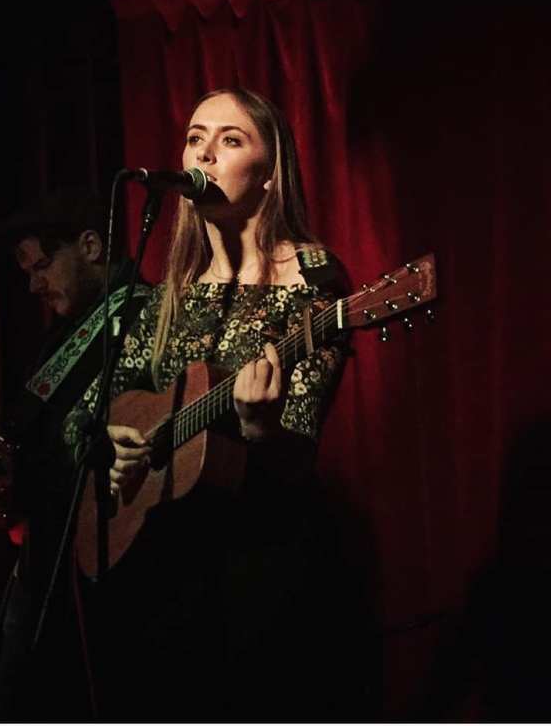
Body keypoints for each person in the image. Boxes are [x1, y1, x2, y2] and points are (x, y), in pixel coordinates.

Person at [70, 88, 352, 721]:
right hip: (160, 572)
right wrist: (111, 441)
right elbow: (86, 414)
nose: (204, 153)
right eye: (195, 137)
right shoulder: (170, 293)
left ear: (270, 171)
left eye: (230, 139)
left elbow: (297, 456)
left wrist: (259, 427)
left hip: (257, 566)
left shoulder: (312, 280)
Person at [0, 185, 150, 721]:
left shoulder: (145, 313)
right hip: (48, 558)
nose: (33, 285)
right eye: (27, 272)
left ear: (89, 246)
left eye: (42, 266)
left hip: (108, 567)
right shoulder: (62, 334)